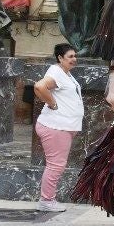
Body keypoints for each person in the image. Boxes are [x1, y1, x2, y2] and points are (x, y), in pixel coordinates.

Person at [32, 43, 83, 212]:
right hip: (56, 127)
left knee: (56, 164)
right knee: (56, 165)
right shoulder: (56, 73)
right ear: (60, 58)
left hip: (63, 127)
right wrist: (52, 104)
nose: (74, 59)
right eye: (70, 57)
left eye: (75, 56)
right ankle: (46, 201)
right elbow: (39, 86)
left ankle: (47, 199)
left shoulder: (65, 74)